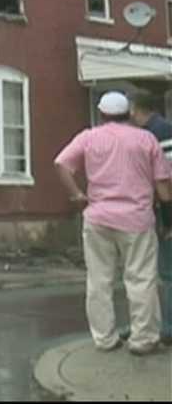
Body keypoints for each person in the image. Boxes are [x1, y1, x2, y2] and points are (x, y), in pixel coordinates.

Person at [54, 91, 172, 356]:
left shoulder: (89, 137)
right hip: (137, 219)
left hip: (98, 218)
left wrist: (77, 194)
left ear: (102, 113)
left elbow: (61, 164)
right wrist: (168, 221)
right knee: (141, 279)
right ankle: (143, 339)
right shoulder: (146, 139)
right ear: (128, 113)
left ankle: (105, 339)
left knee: (99, 280)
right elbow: (164, 187)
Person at [130, 90, 172, 347]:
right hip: (158, 206)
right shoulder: (156, 131)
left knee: (167, 272)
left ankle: (168, 328)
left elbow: (167, 178)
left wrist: (168, 220)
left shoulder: (160, 132)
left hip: (166, 207)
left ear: (135, 109)